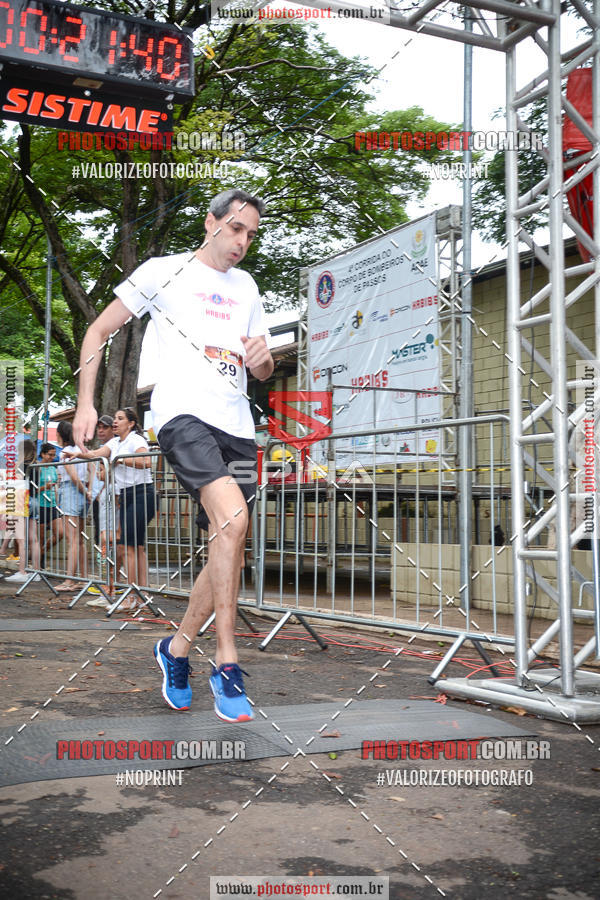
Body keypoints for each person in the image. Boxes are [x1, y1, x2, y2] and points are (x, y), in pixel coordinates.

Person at [72, 188, 273, 721]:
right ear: (210, 223)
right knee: (232, 520)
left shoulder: (248, 286)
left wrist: (262, 361)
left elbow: (262, 369)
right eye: (235, 228)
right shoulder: (164, 271)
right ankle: (227, 661)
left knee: (229, 534)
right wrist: (86, 403)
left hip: (237, 427)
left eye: (251, 233)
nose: (242, 242)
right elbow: (98, 330)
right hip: (183, 417)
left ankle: (177, 648)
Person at [69, 408, 155, 611]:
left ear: (131, 423)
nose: (115, 422)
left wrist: (118, 460)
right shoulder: (114, 443)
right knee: (134, 549)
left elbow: (146, 462)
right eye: (114, 418)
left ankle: (133, 596)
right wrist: (78, 452)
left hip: (142, 494)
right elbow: (95, 454)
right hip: (126, 496)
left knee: (129, 548)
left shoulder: (136, 441)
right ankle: (141, 594)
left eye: (120, 419)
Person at [54, 420, 91, 592]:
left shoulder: (66, 452)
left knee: (73, 540)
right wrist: (88, 492)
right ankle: (83, 578)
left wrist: (85, 492)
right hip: (82, 493)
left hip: (72, 491)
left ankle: (69, 580)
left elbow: (73, 478)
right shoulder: (83, 451)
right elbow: (90, 473)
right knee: (80, 540)